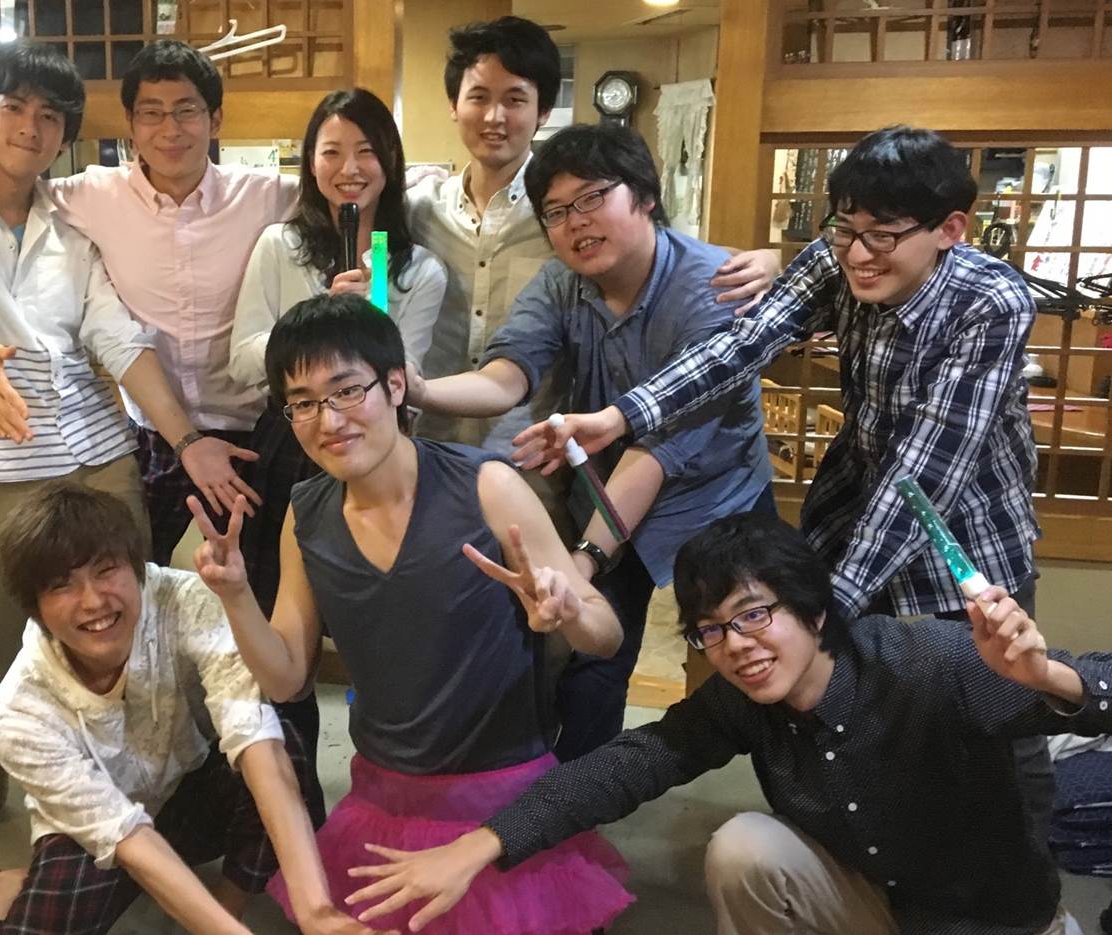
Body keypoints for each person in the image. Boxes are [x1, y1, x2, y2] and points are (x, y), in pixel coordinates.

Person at [512, 125, 1053, 825]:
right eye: (844, 229)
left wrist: (829, 608)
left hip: (969, 533)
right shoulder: (837, 258)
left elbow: (926, 469)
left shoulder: (990, 301)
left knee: (1000, 709)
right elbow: (740, 345)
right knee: (854, 706)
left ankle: (1028, 871)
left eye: (882, 236)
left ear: (950, 229)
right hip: (856, 508)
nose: (857, 254)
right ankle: (861, 855)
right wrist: (619, 417)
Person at [346, 512, 1112, 935]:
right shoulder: (743, 700)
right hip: (878, 909)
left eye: (753, 614)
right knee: (745, 846)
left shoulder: (928, 662)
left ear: (813, 609)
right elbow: (628, 763)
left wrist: (1044, 675)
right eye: (711, 629)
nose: (736, 644)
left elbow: (1099, 690)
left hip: (997, 923)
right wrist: (481, 843)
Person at [0, 40, 251, 859]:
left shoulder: (70, 226)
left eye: (51, 116)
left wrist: (188, 439)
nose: (31, 126)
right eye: (14, 107)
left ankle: (142, 786)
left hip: (95, 464)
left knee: (129, 635)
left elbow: (118, 340)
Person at [192, 293, 632, 934]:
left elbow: (606, 635)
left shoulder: (486, 485)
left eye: (347, 391)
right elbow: (287, 680)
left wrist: (567, 612)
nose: (328, 420)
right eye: (303, 403)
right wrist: (235, 595)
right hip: (382, 803)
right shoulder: (305, 515)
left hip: (504, 800)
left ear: (395, 384)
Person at [410, 123, 774, 760]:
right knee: (593, 662)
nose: (574, 222)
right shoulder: (561, 284)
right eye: (555, 211)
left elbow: (660, 451)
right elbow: (507, 376)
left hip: (717, 501)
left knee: (755, 648)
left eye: (592, 198)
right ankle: (579, 800)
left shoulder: (715, 286)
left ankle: (794, 793)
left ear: (646, 196)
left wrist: (580, 567)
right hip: (612, 493)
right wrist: (417, 389)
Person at [0, 483, 385, 935]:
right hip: (93, 828)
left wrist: (317, 912)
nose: (93, 601)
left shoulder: (186, 600)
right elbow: (126, 837)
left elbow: (253, 736)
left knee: (282, 744)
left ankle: (227, 907)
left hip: (189, 789)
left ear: (136, 567)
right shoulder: (18, 714)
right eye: (61, 585)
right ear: (34, 607)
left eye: (106, 570)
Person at [406, 15, 777, 536]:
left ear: (541, 111)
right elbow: (505, 367)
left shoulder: (579, 222)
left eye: (515, 99)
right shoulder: (417, 210)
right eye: (478, 97)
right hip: (445, 449)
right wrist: (409, 386)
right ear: (453, 104)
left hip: (571, 469)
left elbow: (679, 256)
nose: (494, 116)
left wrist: (769, 260)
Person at [47, 38, 298, 566]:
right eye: (152, 113)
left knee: (260, 577)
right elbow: (2, 202)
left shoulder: (267, 195)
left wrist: (383, 261)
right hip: (154, 434)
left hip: (255, 428)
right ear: (131, 124)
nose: (170, 130)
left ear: (215, 119)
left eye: (186, 111)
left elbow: (363, 191)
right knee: (140, 571)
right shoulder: (93, 195)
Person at [228, 85, 446, 616]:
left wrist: (370, 325)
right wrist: (316, 322)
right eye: (331, 152)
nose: (349, 168)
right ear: (311, 163)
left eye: (366, 151)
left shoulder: (419, 269)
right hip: (293, 432)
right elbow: (240, 361)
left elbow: (407, 379)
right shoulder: (280, 245)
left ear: (390, 160)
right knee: (279, 596)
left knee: (373, 604)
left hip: (377, 441)